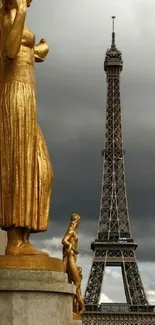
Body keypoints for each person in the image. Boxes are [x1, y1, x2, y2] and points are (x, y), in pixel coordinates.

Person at [0, 0, 53, 255]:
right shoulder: (5, 16)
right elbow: (9, 50)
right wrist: (20, 11)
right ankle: (14, 241)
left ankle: (24, 236)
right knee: (18, 161)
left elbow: (24, 53)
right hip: (15, 92)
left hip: (28, 94)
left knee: (41, 171)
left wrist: (40, 49)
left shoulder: (15, 19)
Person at [62, 214, 85, 316]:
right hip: (71, 258)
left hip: (73, 259)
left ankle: (79, 308)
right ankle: (76, 304)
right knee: (77, 283)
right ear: (76, 221)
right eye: (79, 221)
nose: (79, 223)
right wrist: (71, 247)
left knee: (77, 285)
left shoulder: (74, 232)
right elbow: (64, 241)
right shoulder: (71, 231)